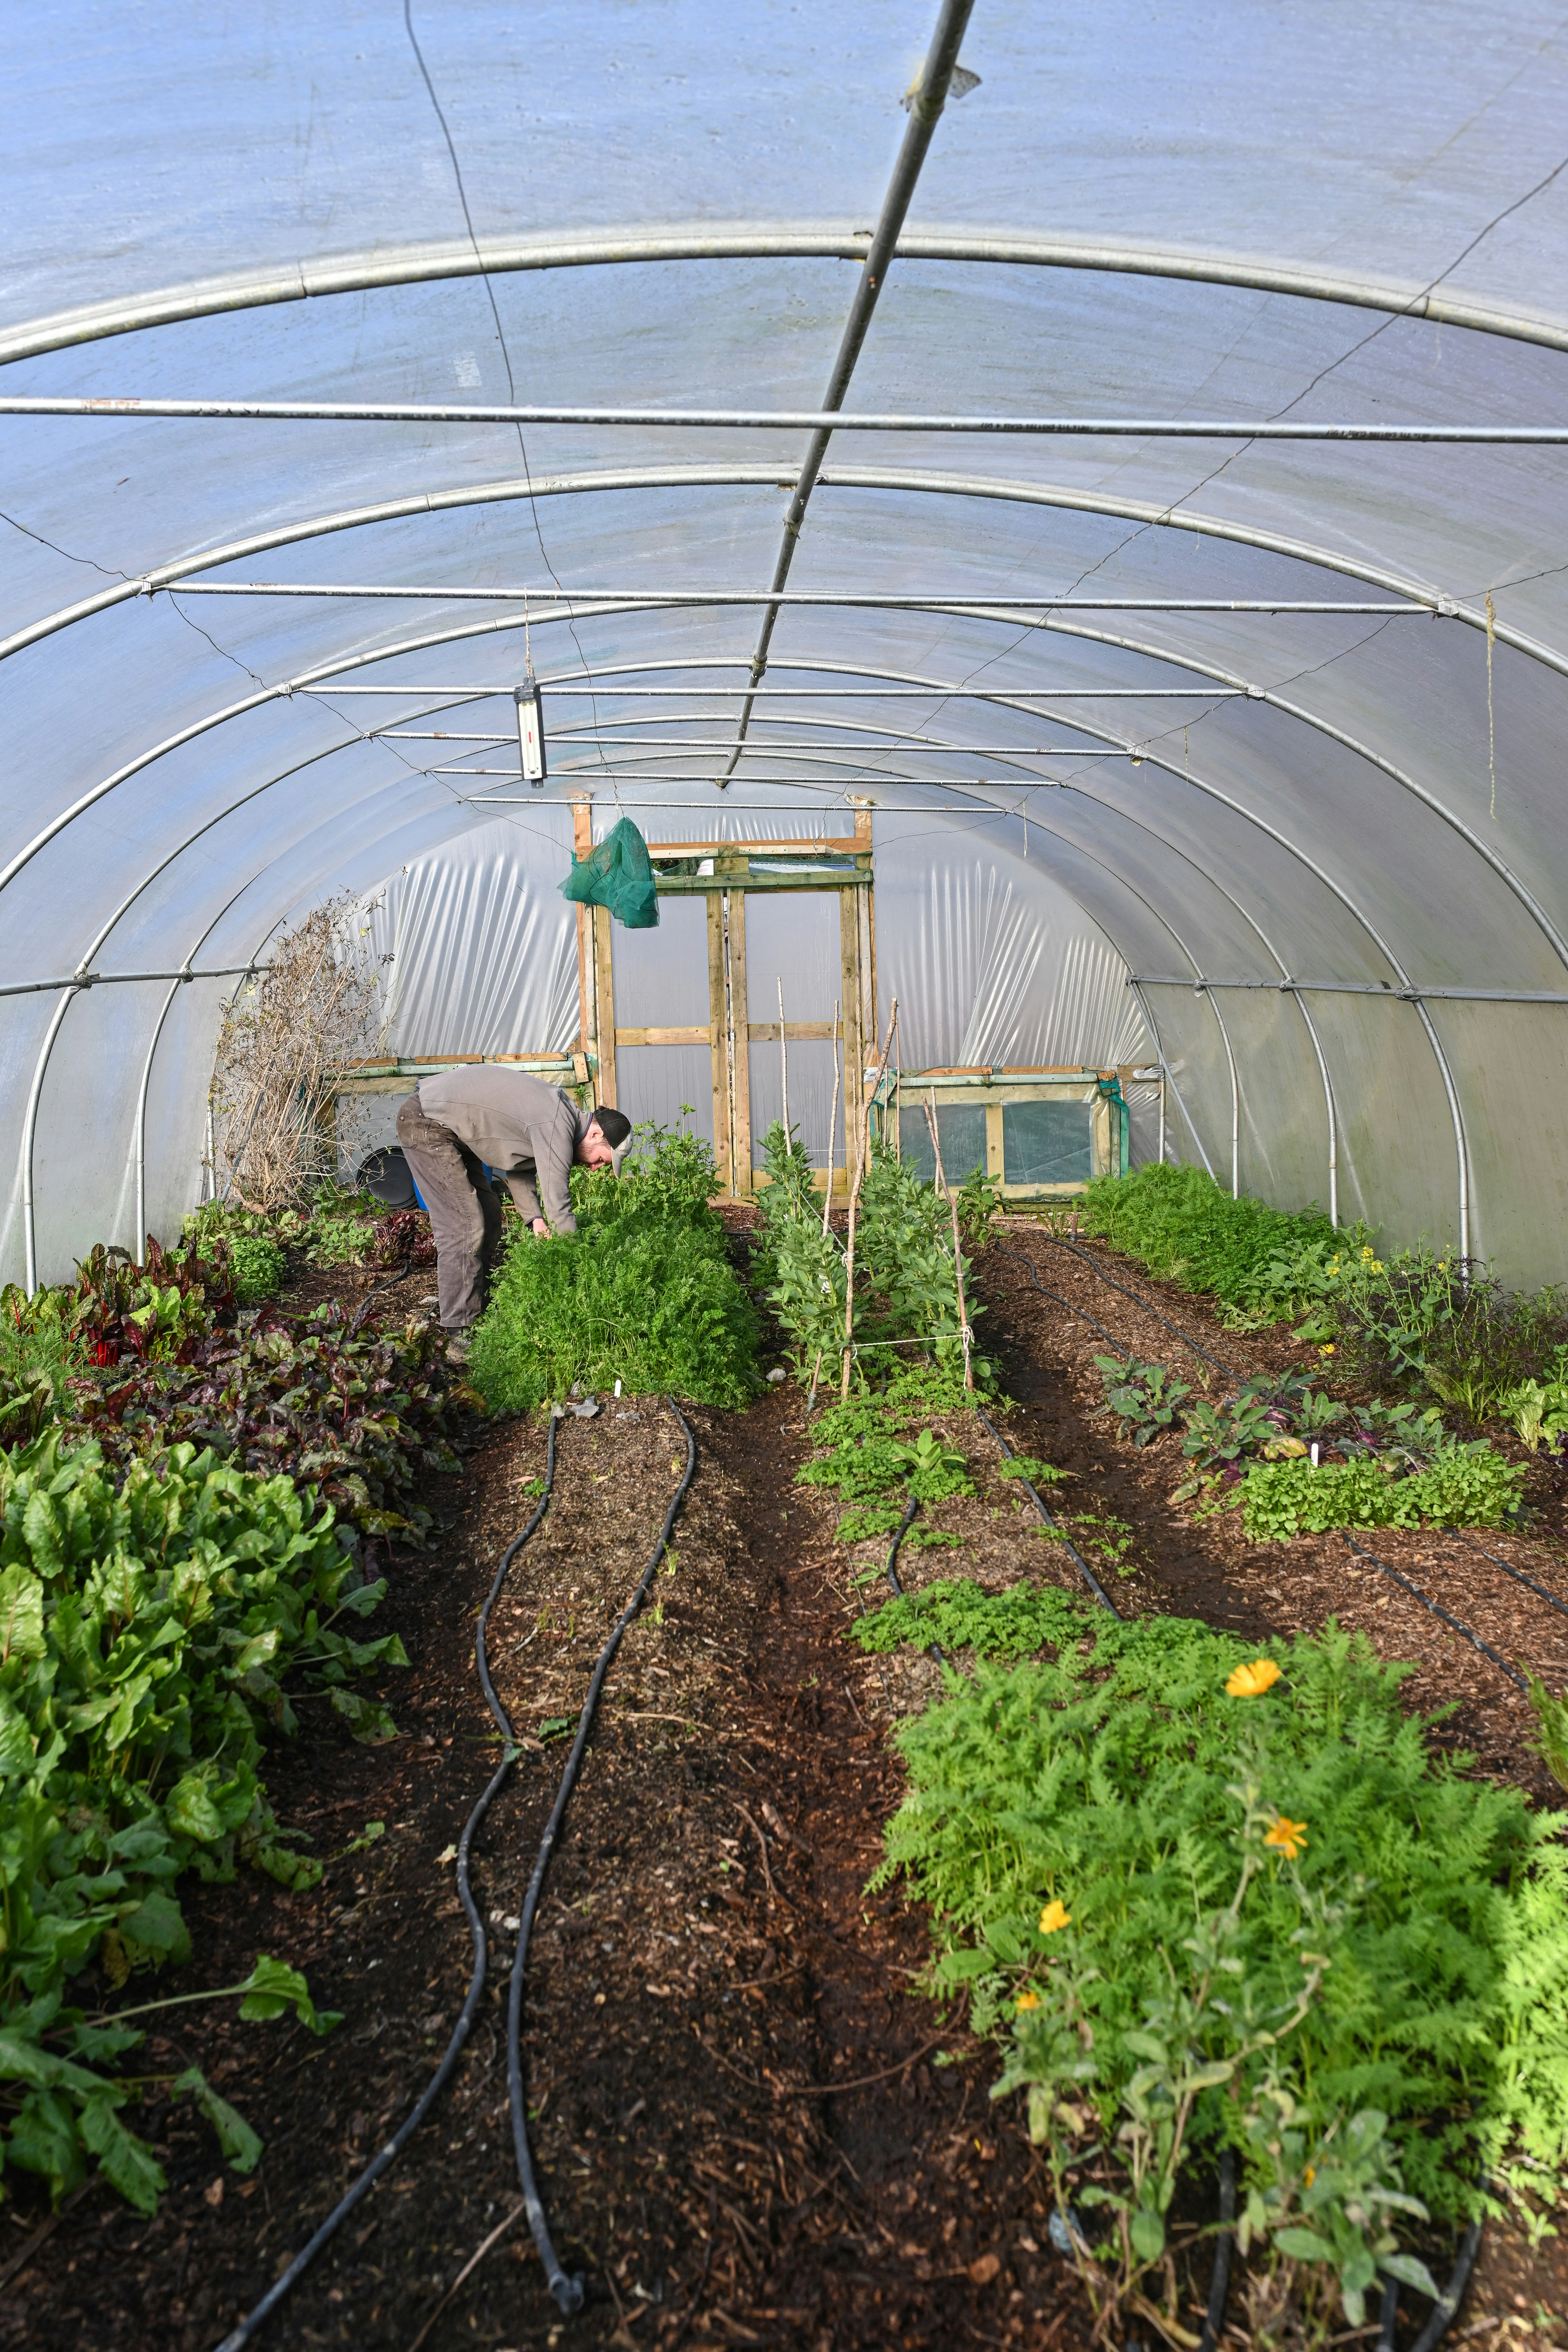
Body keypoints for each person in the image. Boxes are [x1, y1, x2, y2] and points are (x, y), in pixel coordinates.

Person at [395, 1070, 633, 1359]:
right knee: (465, 1225)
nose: (595, 1168)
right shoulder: (557, 1121)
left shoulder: (559, 1118)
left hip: (451, 1129)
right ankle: (459, 1333)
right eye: (600, 1160)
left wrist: (535, 1219)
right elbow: (559, 1203)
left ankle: (477, 1303)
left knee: (490, 1214)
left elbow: (520, 1168)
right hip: (427, 1122)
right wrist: (576, 1267)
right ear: (596, 1134)